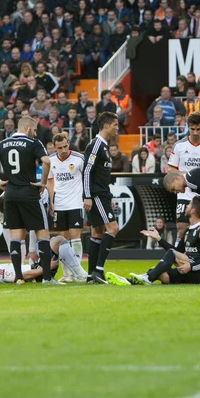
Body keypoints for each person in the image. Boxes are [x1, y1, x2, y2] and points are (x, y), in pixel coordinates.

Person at [0, 116, 58, 285]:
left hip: (11, 195)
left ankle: (19, 278)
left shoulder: (2, 144)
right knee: (42, 234)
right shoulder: (33, 143)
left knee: (16, 236)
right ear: (27, 128)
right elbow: (46, 161)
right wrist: (43, 182)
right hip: (29, 193)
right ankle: (46, 278)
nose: (36, 133)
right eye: (35, 130)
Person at [106, 196, 200, 286]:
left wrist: (192, 266)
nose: (186, 206)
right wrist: (159, 239)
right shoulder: (188, 230)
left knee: (164, 262)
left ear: (193, 211)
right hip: (188, 268)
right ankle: (130, 282)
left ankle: (146, 278)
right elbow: (176, 251)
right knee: (160, 274)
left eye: (189, 204)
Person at [167, 112, 200, 249]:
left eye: (198, 129)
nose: (195, 132)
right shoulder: (179, 145)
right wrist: (190, 175)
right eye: (192, 129)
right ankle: (178, 256)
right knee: (181, 227)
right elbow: (171, 170)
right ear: (188, 127)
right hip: (185, 191)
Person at [82, 112, 119, 284]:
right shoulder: (96, 144)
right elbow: (87, 170)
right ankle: (99, 270)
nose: (117, 129)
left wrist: (109, 195)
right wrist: (87, 196)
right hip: (96, 195)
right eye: (115, 125)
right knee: (112, 228)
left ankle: (91, 275)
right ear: (106, 125)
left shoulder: (104, 146)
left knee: (97, 232)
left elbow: (100, 174)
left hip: (102, 194)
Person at [47, 132, 87, 282]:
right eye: (59, 148)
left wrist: (86, 197)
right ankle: (67, 274)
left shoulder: (79, 158)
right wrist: (51, 201)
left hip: (76, 202)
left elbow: (87, 177)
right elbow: (50, 181)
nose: (63, 150)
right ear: (54, 148)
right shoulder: (50, 160)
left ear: (68, 143)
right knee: (62, 238)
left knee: (75, 236)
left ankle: (78, 272)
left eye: (65, 146)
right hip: (60, 204)